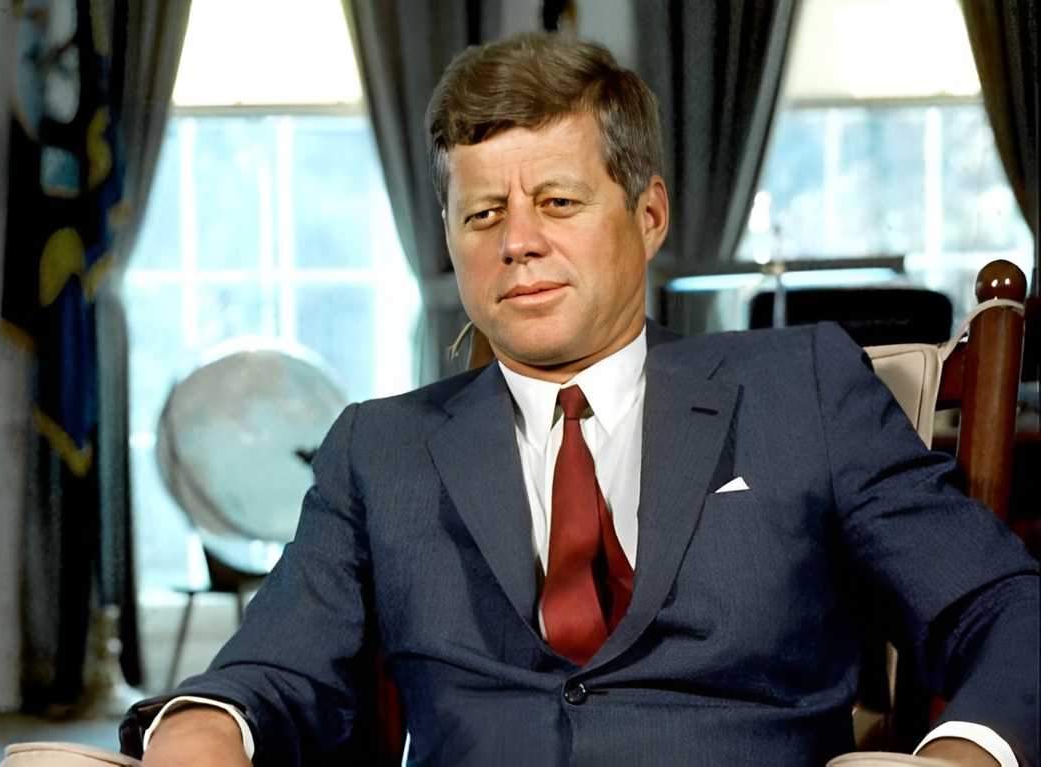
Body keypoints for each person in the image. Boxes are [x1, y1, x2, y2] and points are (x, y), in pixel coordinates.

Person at [124, 33, 1039, 766]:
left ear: (648, 215)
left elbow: (1002, 604)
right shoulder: (379, 448)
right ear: (449, 239)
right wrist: (205, 724)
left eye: (557, 201)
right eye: (484, 213)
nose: (517, 241)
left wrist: (964, 753)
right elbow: (274, 664)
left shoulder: (800, 386)